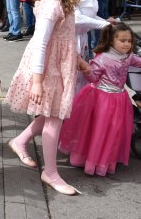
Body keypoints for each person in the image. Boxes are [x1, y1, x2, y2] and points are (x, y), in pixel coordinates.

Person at [5, 0, 91, 196]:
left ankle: (20, 141)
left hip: (59, 64)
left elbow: (63, 36)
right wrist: (37, 82)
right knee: (54, 116)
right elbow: (42, 43)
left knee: (52, 112)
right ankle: (50, 173)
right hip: (47, 67)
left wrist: (78, 59)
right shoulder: (53, 3)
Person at [59, 23, 141, 176]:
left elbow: (138, 61)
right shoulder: (102, 59)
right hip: (102, 99)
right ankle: (87, 159)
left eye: (129, 41)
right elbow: (93, 78)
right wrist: (87, 70)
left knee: (113, 130)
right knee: (97, 129)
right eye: (122, 40)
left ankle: (106, 160)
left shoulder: (128, 57)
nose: (127, 44)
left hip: (120, 99)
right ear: (111, 41)